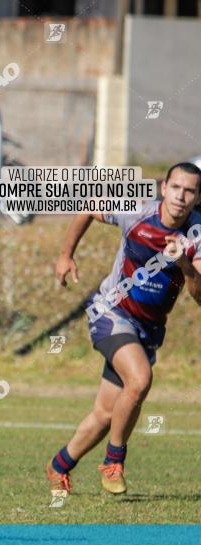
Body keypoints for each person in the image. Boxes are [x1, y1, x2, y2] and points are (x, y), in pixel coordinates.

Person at [47, 162, 201, 495]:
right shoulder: (137, 211)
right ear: (164, 188)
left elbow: (199, 295)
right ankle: (114, 462)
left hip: (148, 329)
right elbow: (89, 206)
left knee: (105, 413)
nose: (181, 196)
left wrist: (185, 265)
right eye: (176, 187)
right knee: (140, 379)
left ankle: (59, 466)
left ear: (196, 197)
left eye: (189, 191)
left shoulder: (197, 234)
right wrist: (65, 255)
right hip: (110, 312)